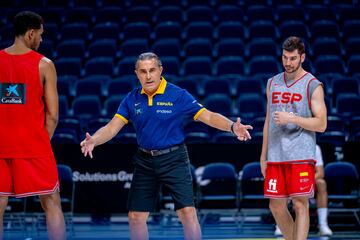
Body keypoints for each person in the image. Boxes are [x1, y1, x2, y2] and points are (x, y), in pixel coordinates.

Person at [80, 52, 253, 240]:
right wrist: (94, 140)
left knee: (187, 213)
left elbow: (208, 116)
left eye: (152, 70)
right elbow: (111, 127)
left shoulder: (177, 95)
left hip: (174, 159)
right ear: (136, 73)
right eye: (143, 71)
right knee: (135, 217)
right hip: (145, 161)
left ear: (160, 70)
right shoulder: (131, 98)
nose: (148, 76)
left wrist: (231, 127)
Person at [0, 11, 65, 240]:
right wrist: (37, 142)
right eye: (40, 34)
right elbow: (53, 115)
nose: (41, 39)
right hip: (33, 145)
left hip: (1, 146)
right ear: (30, 33)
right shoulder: (44, 64)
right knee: (51, 203)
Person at [260, 36, 327, 240]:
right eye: (285, 57)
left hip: (300, 152)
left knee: (300, 203)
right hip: (276, 154)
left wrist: (293, 118)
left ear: (302, 57)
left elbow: (322, 124)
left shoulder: (313, 85)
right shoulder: (272, 83)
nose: (288, 63)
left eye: (293, 58)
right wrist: (263, 156)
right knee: (276, 205)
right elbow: (268, 121)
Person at [274, 144, 333, 237]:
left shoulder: (315, 148)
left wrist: (304, 180)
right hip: (290, 180)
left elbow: (320, 172)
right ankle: (281, 225)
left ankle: (323, 225)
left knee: (321, 183)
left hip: (308, 180)